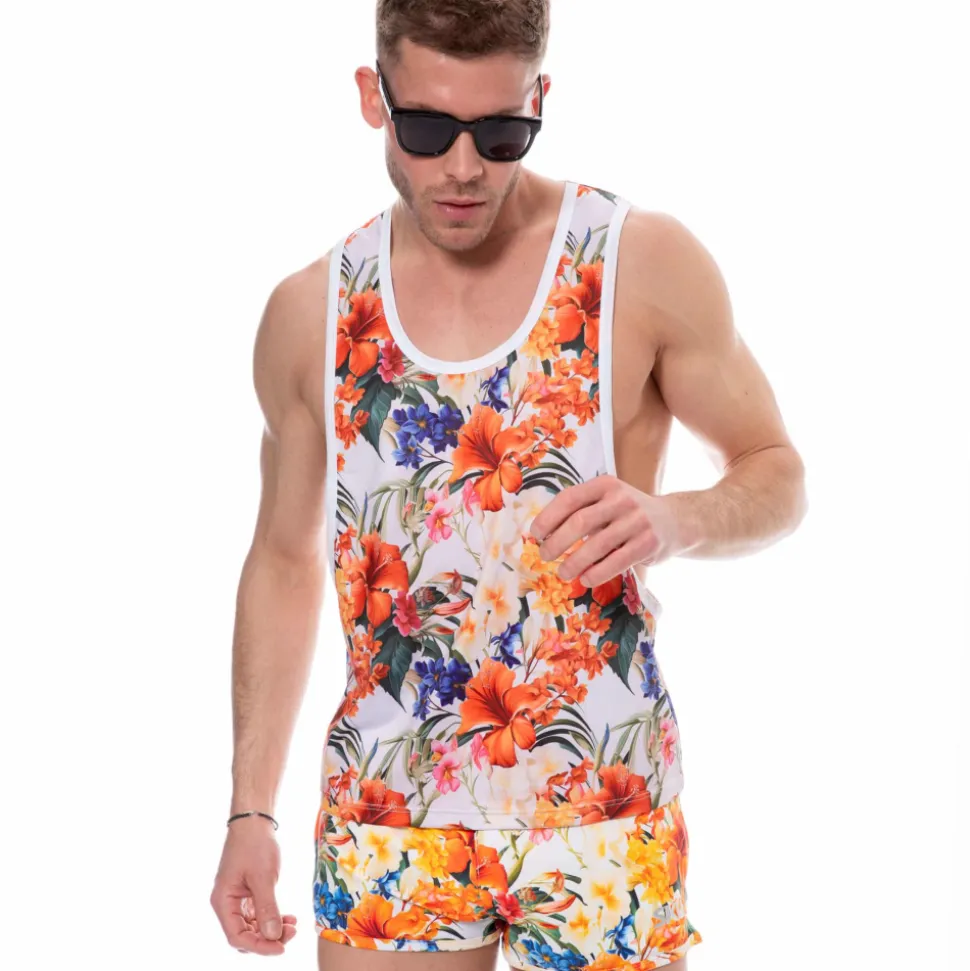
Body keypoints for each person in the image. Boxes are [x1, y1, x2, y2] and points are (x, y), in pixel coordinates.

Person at [210, 1, 808, 968]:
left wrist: (676, 518)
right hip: (388, 804)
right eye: (426, 129)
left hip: (602, 801)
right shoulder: (312, 310)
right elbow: (282, 559)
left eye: (499, 134)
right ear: (372, 97)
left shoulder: (639, 264)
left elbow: (777, 471)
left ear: (540, 100)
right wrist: (250, 808)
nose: (461, 167)